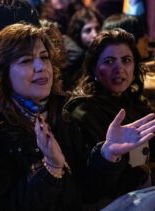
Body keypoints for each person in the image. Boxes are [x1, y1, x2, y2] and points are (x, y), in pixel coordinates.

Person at [0, 23, 155, 210]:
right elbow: (6, 205)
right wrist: (50, 170)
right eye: (26, 60)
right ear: (3, 74)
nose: (41, 66)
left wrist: (107, 154)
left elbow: (89, 190)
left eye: (44, 57)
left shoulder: (60, 117)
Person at [64, 28, 155, 206]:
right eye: (109, 61)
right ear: (94, 70)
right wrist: (109, 156)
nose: (119, 68)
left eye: (126, 60)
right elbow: (88, 187)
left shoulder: (137, 103)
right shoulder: (81, 114)